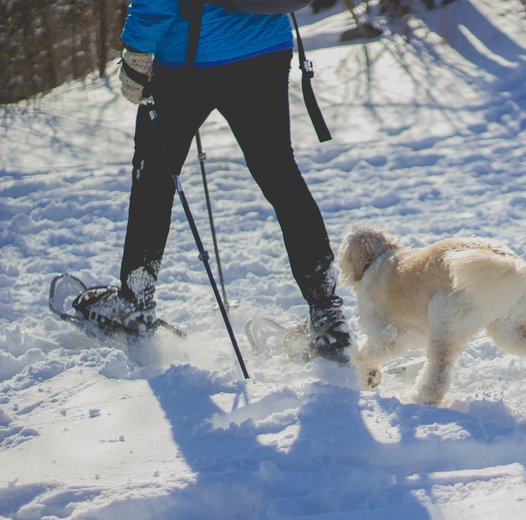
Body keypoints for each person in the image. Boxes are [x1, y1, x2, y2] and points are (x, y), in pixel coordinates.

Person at [74, 0, 351, 362]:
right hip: (264, 48)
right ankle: (327, 315)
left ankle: (134, 303)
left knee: (154, 179)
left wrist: (139, 48)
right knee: (280, 176)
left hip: (186, 59)